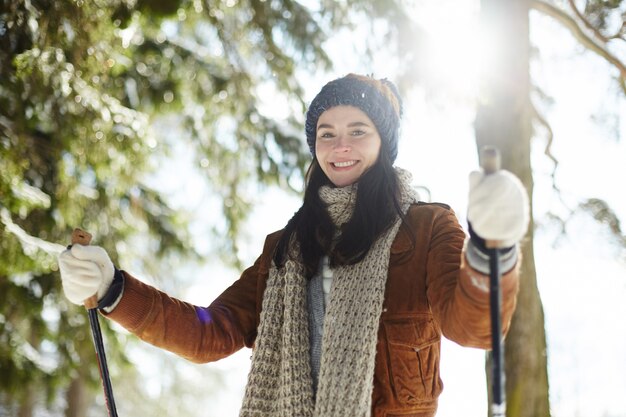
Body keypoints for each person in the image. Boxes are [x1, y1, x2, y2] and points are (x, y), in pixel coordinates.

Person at [58, 73, 529, 417]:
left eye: (357, 131)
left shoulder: (425, 228)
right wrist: (115, 290)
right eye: (327, 134)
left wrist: (493, 250)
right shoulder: (285, 249)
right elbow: (211, 332)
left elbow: (475, 327)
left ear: (384, 143)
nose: (340, 145)